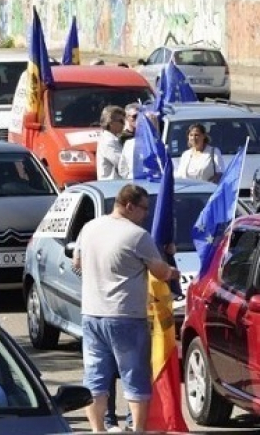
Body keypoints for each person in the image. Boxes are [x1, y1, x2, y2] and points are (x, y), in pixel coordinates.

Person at [72, 184, 180, 433]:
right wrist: (173, 270)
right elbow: (160, 272)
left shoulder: (90, 228)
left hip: (91, 314)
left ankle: (98, 430)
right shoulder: (137, 235)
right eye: (144, 208)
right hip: (125, 316)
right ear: (129, 206)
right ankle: (138, 430)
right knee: (135, 377)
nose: (146, 214)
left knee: (95, 379)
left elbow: (77, 262)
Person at [96, 106, 125, 180]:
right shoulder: (108, 141)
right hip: (110, 186)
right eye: (121, 121)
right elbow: (122, 164)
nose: (124, 124)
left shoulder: (113, 138)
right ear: (111, 122)